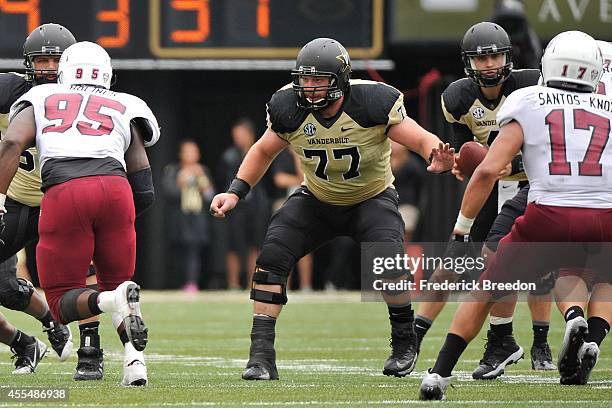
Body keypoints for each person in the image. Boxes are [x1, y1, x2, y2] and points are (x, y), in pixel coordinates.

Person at [210, 37, 455, 380]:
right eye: (304, 79)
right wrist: (235, 192)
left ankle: (404, 342)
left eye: (318, 79)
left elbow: (416, 136)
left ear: (339, 79)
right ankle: (261, 355)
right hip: (317, 199)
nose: (309, 87)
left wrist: (435, 153)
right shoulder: (288, 107)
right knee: (271, 256)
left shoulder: (371, 101)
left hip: (371, 198)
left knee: (389, 262)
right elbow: (264, 150)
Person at [419, 30, 610, 400]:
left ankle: (438, 374)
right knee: (601, 279)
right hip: (604, 213)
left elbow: (488, 170)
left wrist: (461, 230)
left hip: (548, 211)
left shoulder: (528, 99)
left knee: (485, 288)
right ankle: (592, 337)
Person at [0, 41, 160, 386]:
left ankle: (108, 305)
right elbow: (144, 187)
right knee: (119, 283)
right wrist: (118, 220)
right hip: (117, 191)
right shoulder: (125, 103)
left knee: (61, 301)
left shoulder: (42, 98)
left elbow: (12, 143)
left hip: (65, 191)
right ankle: (135, 364)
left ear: (63, 70)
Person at [414, 22, 555, 379]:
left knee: (531, 270)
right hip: (491, 186)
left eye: (495, 55)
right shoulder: (457, 98)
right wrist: (455, 164)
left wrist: (515, 161)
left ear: (508, 57)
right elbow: (469, 155)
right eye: (481, 58)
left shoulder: (532, 85)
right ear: (468, 63)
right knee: (456, 259)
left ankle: (534, 341)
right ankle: (411, 337)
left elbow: (552, 140)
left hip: (533, 183)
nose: (489, 64)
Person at [0, 23, 81, 375]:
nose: (48, 68)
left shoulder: (82, 98)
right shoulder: (8, 90)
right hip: (15, 202)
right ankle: (30, 338)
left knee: (84, 278)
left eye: (55, 60)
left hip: (60, 202)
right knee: (6, 289)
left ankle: (91, 352)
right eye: (42, 60)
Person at [219, 118, 270, 290]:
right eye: (235, 135)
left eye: (241, 135)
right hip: (237, 207)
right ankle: (233, 284)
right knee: (234, 245)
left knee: (256, 245)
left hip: (257, 206)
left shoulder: (263, 153)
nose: (238, 138)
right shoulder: (229, 156)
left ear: (250, 134)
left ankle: (252, 283)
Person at [162, 139, 214, 292]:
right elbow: (169, 193)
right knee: (179, 251)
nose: (191, 155)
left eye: (194, 151)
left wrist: (201, 178)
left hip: (197, 217)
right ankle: (179, 282)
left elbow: (210, 196)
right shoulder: (173, 169)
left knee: (194, 250)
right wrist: (180, 181)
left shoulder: (202, 170)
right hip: (180, 218)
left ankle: (192, 283)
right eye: (188, 151)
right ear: (181, 154)